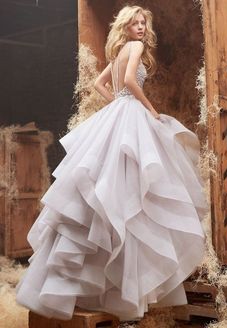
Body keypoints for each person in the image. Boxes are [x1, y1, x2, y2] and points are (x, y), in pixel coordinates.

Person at [16, 5, 206, 322]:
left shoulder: (119, 51)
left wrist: (116, 105)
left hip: (118, 114)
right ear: (126, 27)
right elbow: (131, 81)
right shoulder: (135, 48)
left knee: (108, 195)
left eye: (144, 22)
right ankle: (124, 293)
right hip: (130, 115)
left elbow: (101, 84)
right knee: (134, 194)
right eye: (135, 22)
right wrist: (149, 110)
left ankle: (87, 288)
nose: (141, 27)